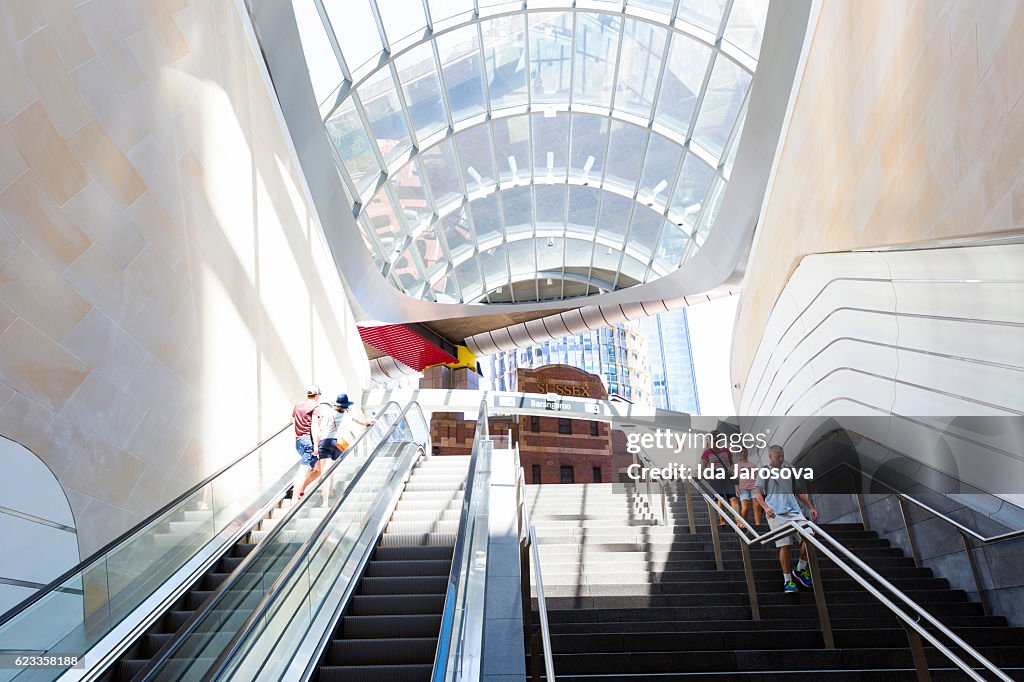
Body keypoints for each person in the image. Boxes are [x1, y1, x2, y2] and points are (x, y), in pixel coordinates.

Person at [755, 445, 818, 594]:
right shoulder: (764, 470)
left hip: (795, 512)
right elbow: (758, 493)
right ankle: (788, 580)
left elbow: (799, 491)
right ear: (770, 456)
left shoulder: (789, 470)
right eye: (778, 456)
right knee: (785, 546)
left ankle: (800, 569)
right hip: (775, 514)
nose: (781, 459)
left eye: (782, 456)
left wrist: (810, 507)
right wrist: (765, 507)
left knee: (810, 537)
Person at [310, 393, 374, 505]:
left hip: (326, 442)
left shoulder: (329, 413)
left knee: (324, 472)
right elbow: (362, 423)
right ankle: (330, 493)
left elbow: (321, 430)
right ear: (346, 405)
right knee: (330, 470)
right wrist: (368, 423)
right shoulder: (348, 415)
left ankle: (325, 501)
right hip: (338, 444)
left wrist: (316, 446)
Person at [701, 431, 740, 526]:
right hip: (715, 475)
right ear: (710, 440)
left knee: (733, 498)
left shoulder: (726, 450)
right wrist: (710, 474)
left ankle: (739, 521)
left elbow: (731, 463)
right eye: (713, 438)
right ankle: (722, 520)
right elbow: (704, 467)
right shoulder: (707, 453)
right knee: (720, 498)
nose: (715, 440)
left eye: (717, 438)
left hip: (727, 475)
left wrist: (731, 469)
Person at [292, 385, 321, 499]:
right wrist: (316, 446)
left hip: (299, 441)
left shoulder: (298, 405)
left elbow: (293, 421)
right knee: (302, 471)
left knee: (318, 468)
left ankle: (301, 490)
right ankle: (294, 500)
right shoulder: (316, 406)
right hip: (309, 443)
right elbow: (314, 426)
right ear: (317, 395)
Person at [733, 447, 762, 528]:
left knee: (756, 505)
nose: (743, 453)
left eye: (745, 452)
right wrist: (736, 489)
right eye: (741, 452)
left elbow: (757, 476)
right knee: (745, 508)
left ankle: (758, 525)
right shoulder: (737, 466)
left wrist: (759, 487)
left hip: (754, 487)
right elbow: (735, 478)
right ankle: (744, 523)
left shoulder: (753, 465)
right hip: (743, 488)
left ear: (747, 453)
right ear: (738, 454)